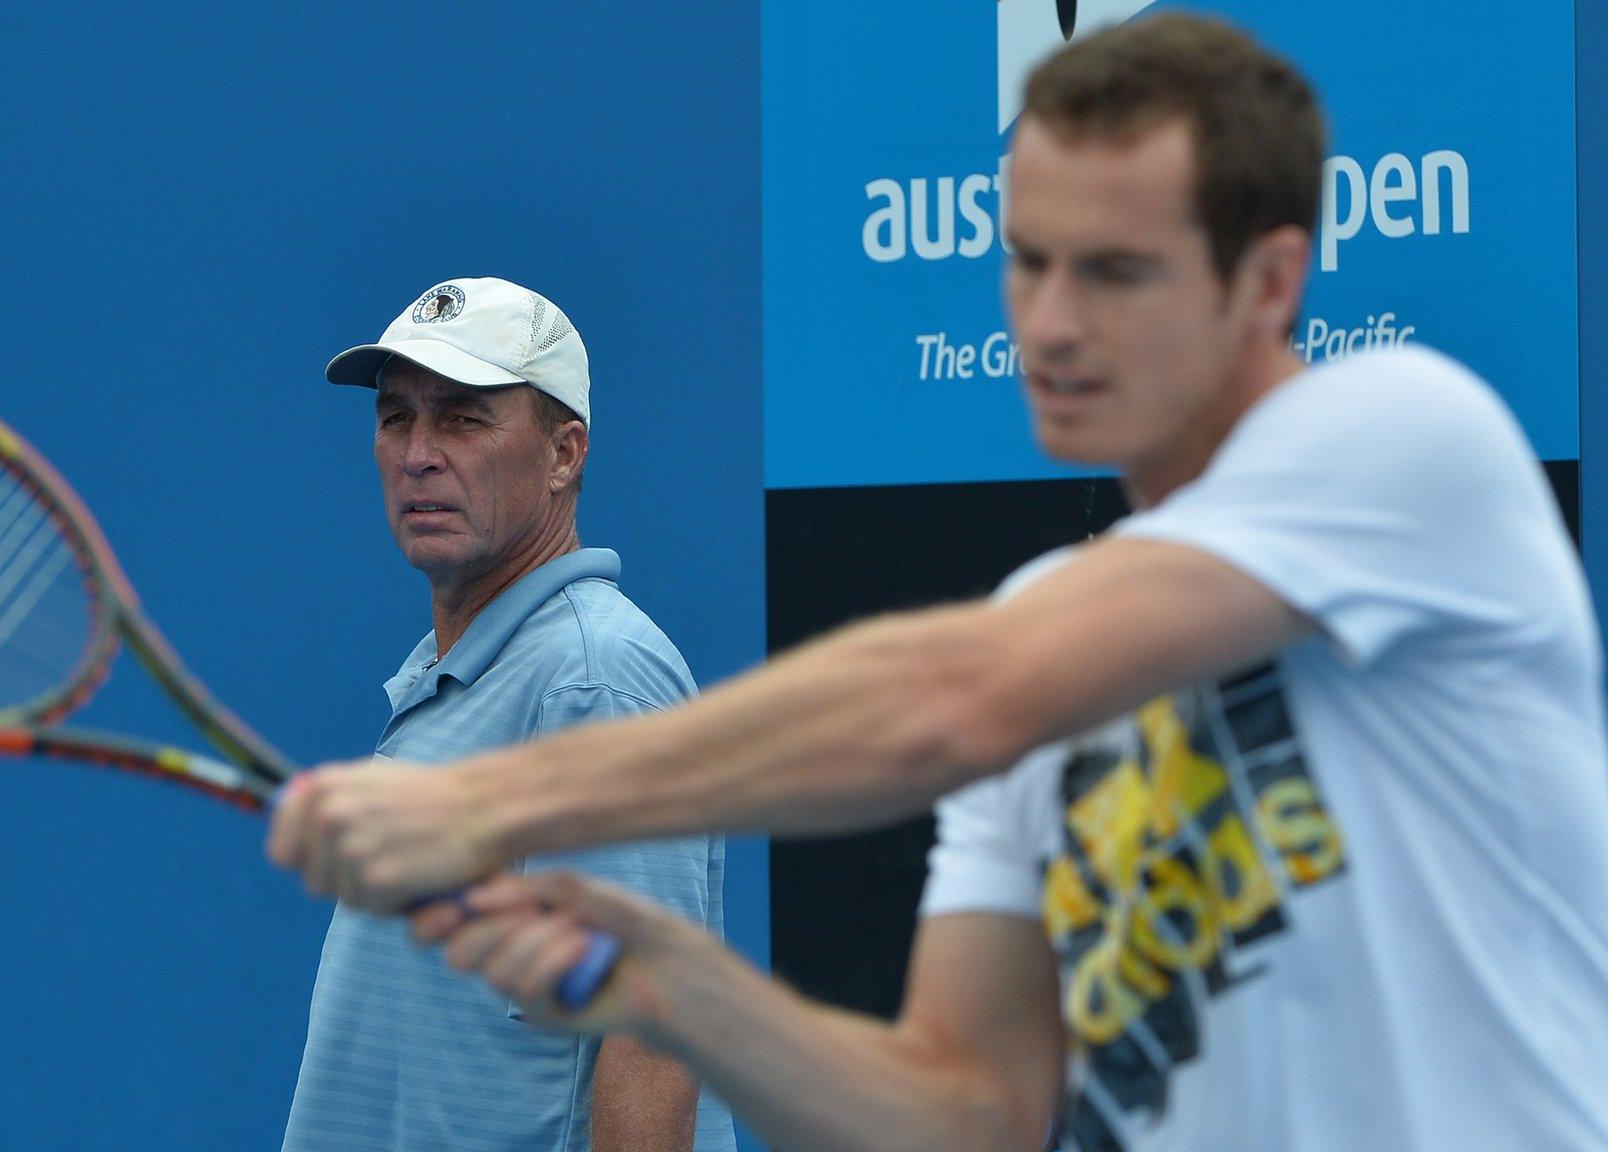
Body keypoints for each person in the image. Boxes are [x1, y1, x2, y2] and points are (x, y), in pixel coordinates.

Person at [270, 17, 1608, 1152]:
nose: (1054, 320)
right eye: (1029, 259)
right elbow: (957, 1108)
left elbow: (950, 701)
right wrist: (669, 981)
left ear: (1269, 281)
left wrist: (487, 802)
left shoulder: (1409, 440)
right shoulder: (1040, 631)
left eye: (1117, 269)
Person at [280, 276, 736, 1152]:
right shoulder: (453, 670)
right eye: (395, 419)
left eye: (462, 419)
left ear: (565, 454)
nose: (417, 453)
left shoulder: (592, 681)